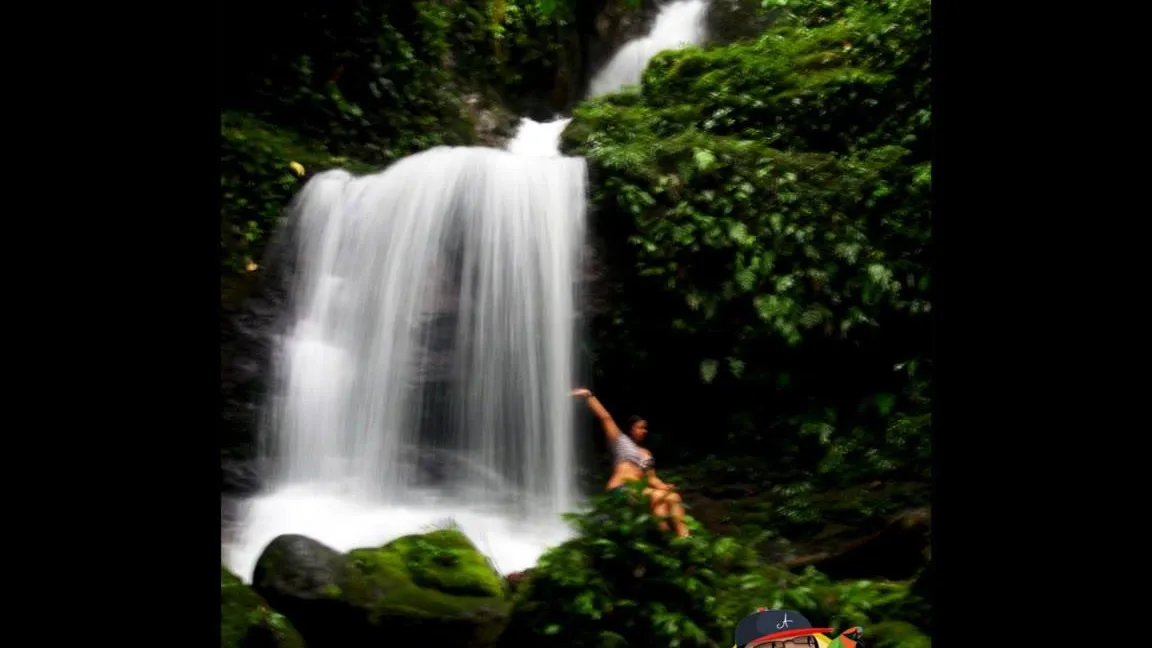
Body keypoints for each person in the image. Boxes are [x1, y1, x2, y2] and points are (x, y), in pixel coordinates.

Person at [570, 387, 690, 537]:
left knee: (673, 498)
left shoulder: (647, 453)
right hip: (620, 489)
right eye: (641, 427)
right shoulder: (620, 441)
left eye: (645, 428)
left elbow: (652, 478)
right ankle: (665, 539)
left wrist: (665, 487)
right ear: (631, 429)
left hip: (640, 491)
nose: (644, 431)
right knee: (657, 497)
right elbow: (605, 418)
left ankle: (684, 539)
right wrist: (589, 397)